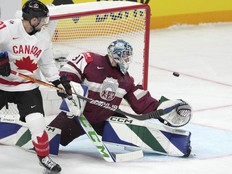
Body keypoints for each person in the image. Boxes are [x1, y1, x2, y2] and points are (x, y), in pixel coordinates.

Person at [48, 39, 192, 152]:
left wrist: (162, 110)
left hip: (104, 119)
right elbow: (69, 72)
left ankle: (176, 144)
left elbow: (141, 102)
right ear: (115, 54)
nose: (127, 59)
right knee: (47, 143)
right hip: (76, 117)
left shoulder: (126, 80)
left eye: (129, 56)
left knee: (137, 130)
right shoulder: (90, 60)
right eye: (125, 56)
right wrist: (66, 85)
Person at [0, 0, 71, 173]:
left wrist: (58, 82)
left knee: (37, 123)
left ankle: (44, 158)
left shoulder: (43, 37)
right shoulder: (7, 28)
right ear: (32, 20)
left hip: (27, 87)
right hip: (1, 85)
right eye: (42, 19)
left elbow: (47, 65)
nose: (44, 23)